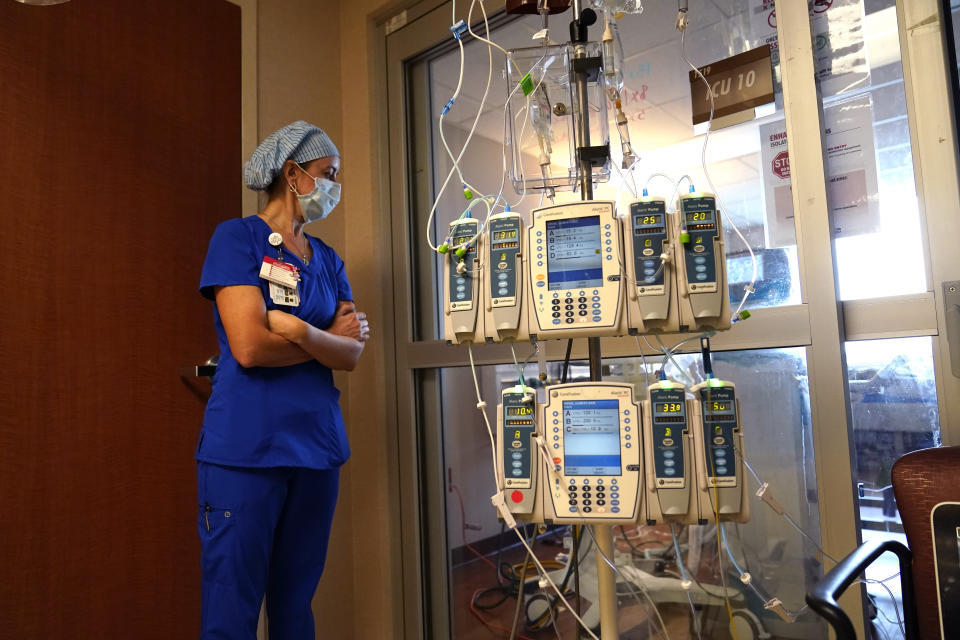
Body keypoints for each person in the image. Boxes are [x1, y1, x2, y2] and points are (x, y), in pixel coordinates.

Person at [195, 121, 369, 639]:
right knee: (232, 612)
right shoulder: (237, 239)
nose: (335, 186)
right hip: (246, 451)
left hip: (316, 450)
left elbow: (353, 353)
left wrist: (294, 330)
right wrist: (324, 340)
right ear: (293, 174)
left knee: (296, 608)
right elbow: (248, 347)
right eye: (327, 174)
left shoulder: (329, 260)